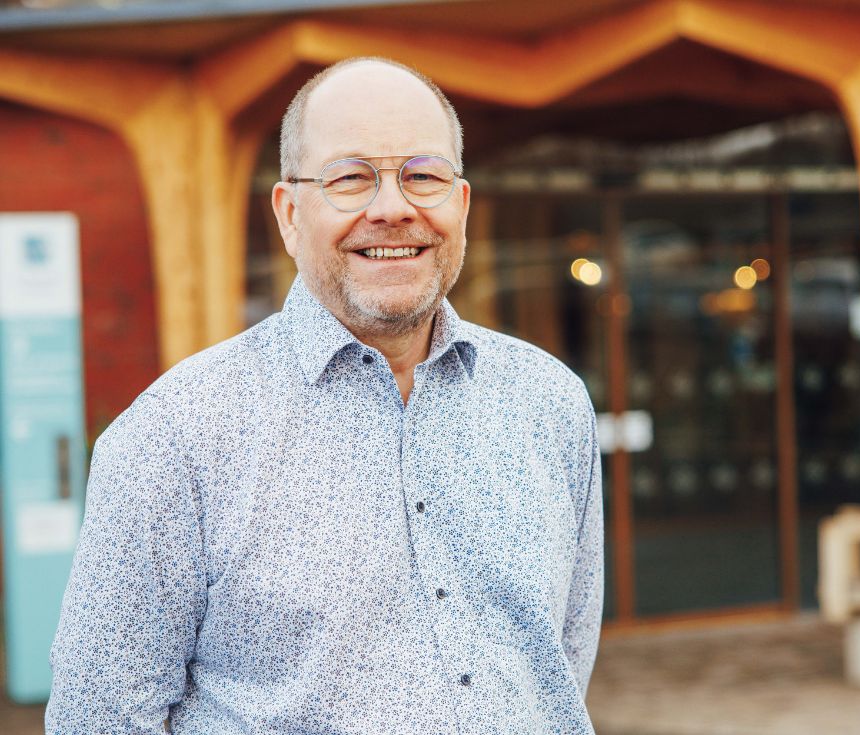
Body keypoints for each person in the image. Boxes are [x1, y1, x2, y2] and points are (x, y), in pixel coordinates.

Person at [46, 57, 603, 734]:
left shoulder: (550, 404)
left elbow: (558, 667)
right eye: (349, 177)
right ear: (288, 213)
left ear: (459, 204)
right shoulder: (177, 436)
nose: (393, 207)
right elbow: (98, 716)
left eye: (422, 175)